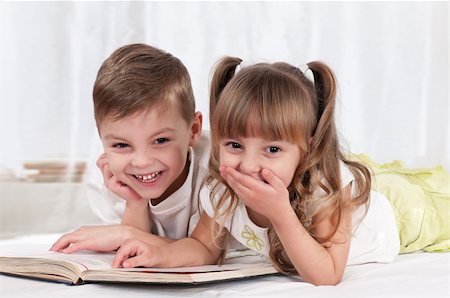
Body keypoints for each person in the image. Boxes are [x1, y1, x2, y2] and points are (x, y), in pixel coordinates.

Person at [110, 57, 401, 286]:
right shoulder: (224, 187)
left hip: (395, 222)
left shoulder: (324, 187)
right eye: (235, 145)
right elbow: (203, 247)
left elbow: (327, 275)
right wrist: (163, 254)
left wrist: (280, 213)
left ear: (307, 150)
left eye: (272, 149)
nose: (248, 166)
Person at [51, 43, 210, 253]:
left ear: (193, 130)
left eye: (160, 141)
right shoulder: (108, 183)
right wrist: (135, 203)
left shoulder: (216, 168)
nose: (142, 162)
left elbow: (207, 250)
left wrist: (126, 234)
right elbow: (137, 248)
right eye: (121, 145)